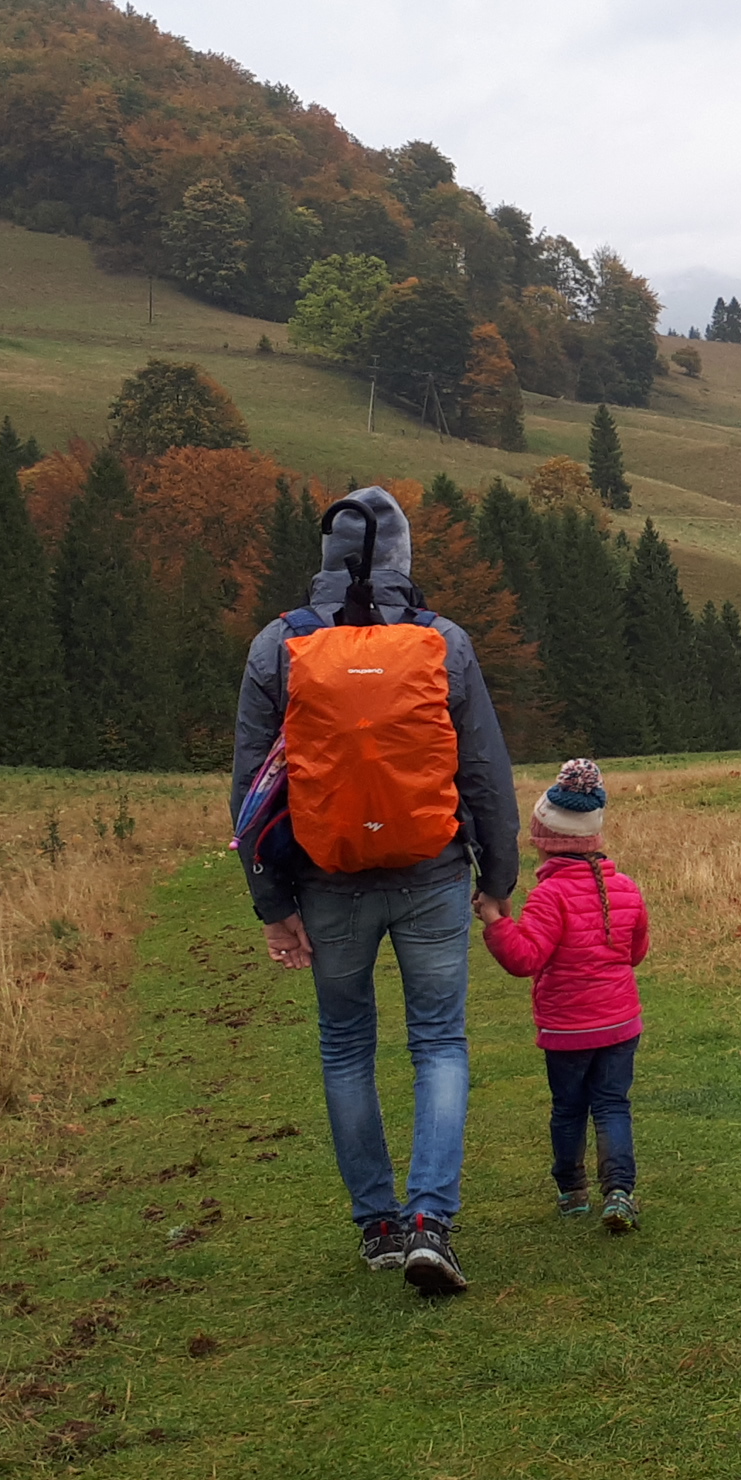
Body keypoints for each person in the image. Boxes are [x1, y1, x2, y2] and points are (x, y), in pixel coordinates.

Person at [231, 487, 519, 1295]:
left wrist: (273, 904)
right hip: (431, 874)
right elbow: (485, 773)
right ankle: (432, 1220)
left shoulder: (277, 645)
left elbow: (252, 788)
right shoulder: (443, 642)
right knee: (439, 1042)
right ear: (404, 558)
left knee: (346, 1045)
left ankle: (379, 1227)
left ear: (325, 559)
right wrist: (496, 877)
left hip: (327, 882)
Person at [478, 760, 651, 1233]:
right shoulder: (626, 889)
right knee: (613, 1104)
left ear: (543, 838)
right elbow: (636, 953)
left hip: (567, 1030)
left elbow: (525, 959)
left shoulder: (549, 896)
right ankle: (620, 1192)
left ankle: (572, 1190)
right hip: (619, 1024)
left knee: (569, 1107)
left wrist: (496, 923)